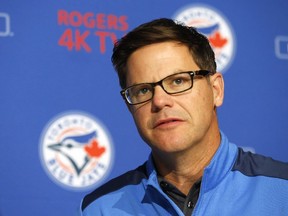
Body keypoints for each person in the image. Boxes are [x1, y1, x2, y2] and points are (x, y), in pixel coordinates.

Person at [80, 18, 288, 216]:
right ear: (129, 106)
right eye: (143, 90)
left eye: (178, 81)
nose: (160, 101)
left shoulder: (282, 191)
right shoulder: (101, 208)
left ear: (216, 90)